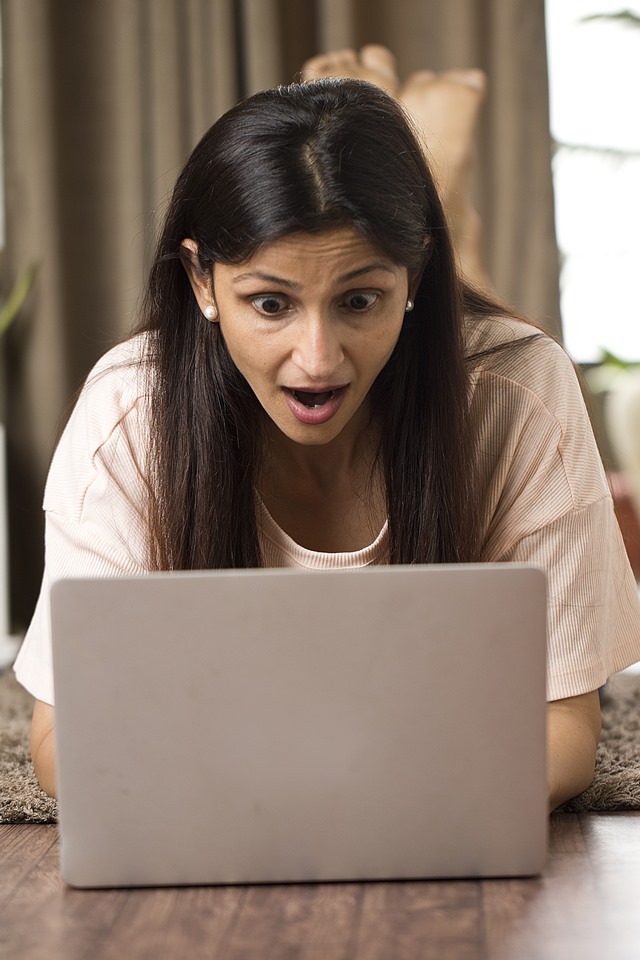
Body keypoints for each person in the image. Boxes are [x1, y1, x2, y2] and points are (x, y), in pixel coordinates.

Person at [13, 46, 640, 808]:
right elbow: (62, 738)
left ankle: (448, 203)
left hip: (458, 357)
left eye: (359, 300)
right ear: (200, 282)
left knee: (469, 357)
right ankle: (438, 191)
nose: (317, 361)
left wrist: (337, 805)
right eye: (271, 304)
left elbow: (564, 728)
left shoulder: (523, 389)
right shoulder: (128, 411)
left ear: (412, 277)